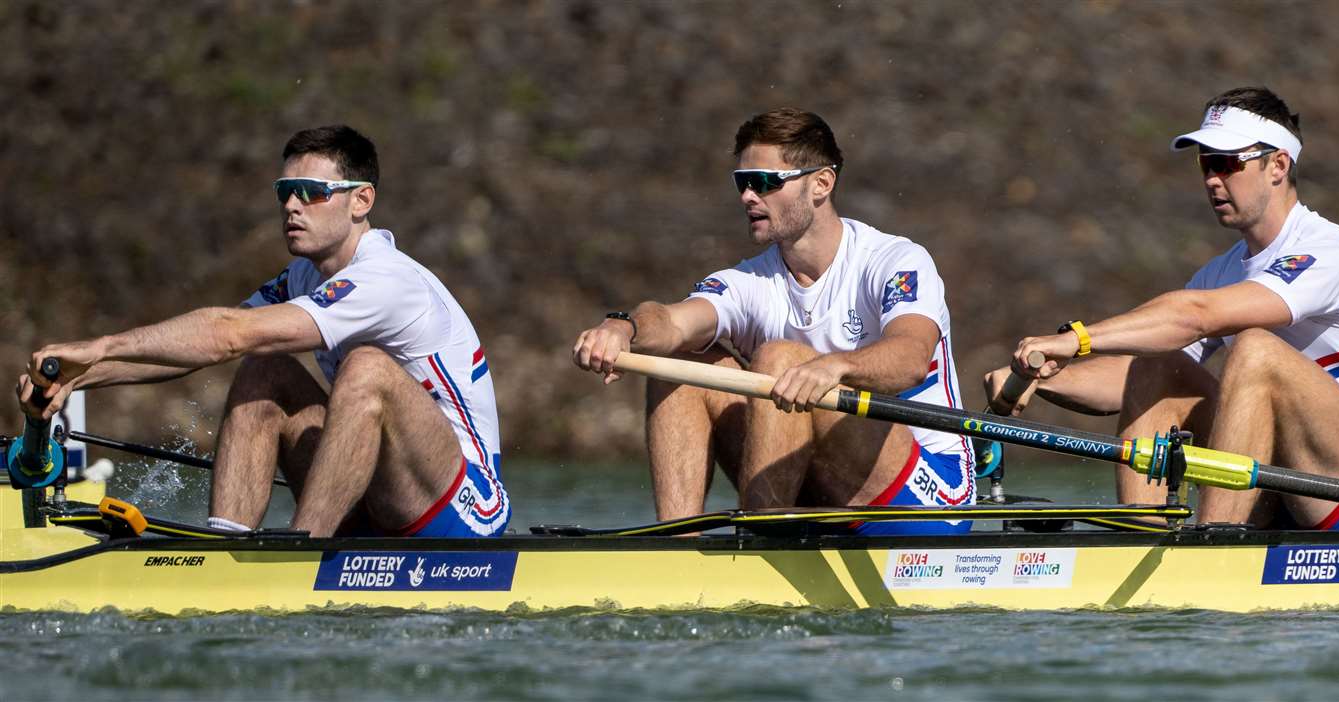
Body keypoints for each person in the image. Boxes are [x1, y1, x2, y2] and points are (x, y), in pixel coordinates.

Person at [17, 125, 509, 538]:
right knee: (266, 369)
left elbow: (228, 333)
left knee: (367, 370)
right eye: (284, 192)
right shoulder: (303, 277)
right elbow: (199, 349)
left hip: (464, 506)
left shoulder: (386, 280)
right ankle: (227, 550)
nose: (292, 205)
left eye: (312, 193)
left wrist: (103, 344)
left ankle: (297, 555)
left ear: (362, 200)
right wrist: (80, 377)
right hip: (379, 491)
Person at [989, 87, 1339, 530]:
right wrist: (1045, 374)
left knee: (1256, 349)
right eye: (1205, 163)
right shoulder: (1222, 272)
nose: (1212, 179)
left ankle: (1213, 542)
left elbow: (1193, 315)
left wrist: (1077, 340)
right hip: (1291, 482)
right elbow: (1130, 381)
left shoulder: (1330, 250)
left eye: (1227, 163)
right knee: (1157, 366)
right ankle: (1143, 536)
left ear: (1277, 165)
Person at [572, 108, 973, 534]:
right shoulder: (749, 281)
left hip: (929, 498)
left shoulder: (896, 262)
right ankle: (679, 544)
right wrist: (623, 329)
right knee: (684, 363)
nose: (748, 196)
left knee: (781, 358)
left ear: (821, 184)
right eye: (742, 182)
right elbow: (670, 322)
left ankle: (762, 537)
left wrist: (834, 366)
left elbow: (910, 359)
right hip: (820, 488)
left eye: (765, 182)